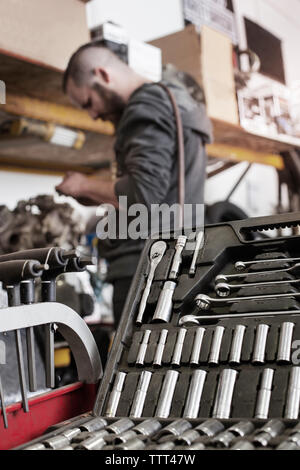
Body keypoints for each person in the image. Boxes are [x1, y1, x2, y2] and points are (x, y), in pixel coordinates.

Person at [56, 42, 212, 328]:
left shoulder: (146, 104)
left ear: (102, 75)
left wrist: (82, 184)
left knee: (135, 368)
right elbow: (159, 195)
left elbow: (144, 193)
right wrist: (99, 194)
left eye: (89, 102)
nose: (92, 115)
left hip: (146, 271)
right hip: (179, 263)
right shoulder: (176, 101)